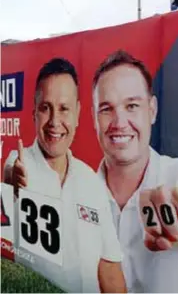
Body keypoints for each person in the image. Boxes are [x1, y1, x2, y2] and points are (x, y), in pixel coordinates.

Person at [91, 50, 178, 293]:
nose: (119, 122)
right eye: (106, 108)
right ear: (93, 117)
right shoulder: (80, 193)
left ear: (151, 109)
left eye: (132, 106)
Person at [3, 58, 126, 293]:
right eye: (45, 108)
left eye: (64, 109)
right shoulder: (18, 164)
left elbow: (110, 272)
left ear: (78, 114)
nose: (54, 122)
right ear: (34, 113)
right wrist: (10, 181)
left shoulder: (92, 182)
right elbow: (9, 178)